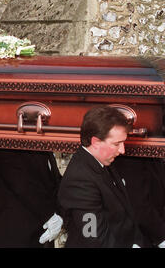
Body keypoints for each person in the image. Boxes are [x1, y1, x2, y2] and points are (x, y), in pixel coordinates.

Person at [58, 105, 146, 247]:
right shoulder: (79, 182)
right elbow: (93, 237)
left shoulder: (102, 161)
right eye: (117, 144)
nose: (122, 150)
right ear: (96, 142)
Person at [0, 149, 62, 247]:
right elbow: (21, 184)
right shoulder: (2, 140)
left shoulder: (39, 140)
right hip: (15, 235)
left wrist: (61, 213)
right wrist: (50, 215)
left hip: (43, 233)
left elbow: (53, 179)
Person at [113, 155, 165, 248]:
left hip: (154, 227)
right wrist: (161, 236)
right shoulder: (131, 155)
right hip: (143, 235)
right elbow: (139, 207)